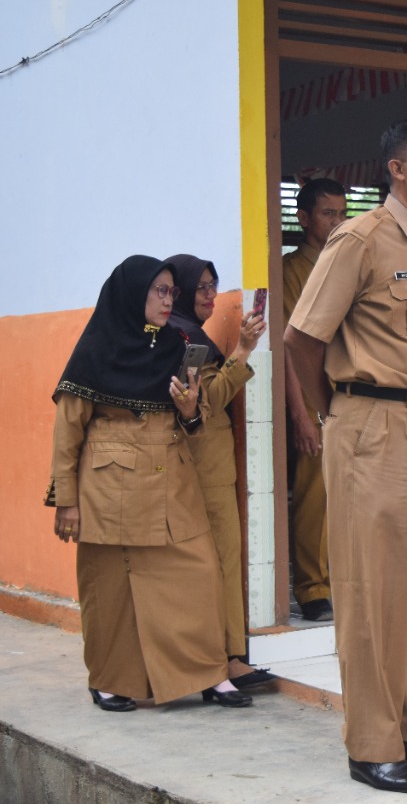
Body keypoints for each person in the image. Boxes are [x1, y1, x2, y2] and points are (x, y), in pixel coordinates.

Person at [284, 118, 407, 794]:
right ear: (397, 169)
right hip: (373, 423)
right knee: (372, 590)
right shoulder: (361, 239)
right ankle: (372, 742)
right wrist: (333, 412)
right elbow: (302, 339)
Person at [47, 255, 253, 711]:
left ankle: (207, 673)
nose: (168, 300)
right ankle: (109, 680)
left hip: (172, 478)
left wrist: (189, 409)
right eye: (159, 291)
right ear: (131, 295)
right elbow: (68, 432)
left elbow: (194, 422)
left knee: (198, 573)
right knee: (111, 590)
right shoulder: (94, 352)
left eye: (170, 292)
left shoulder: (177, 347)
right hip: (110, 486)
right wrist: (67, 500)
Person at [164, 254, 274, 689]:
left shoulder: (188, 333)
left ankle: (226, 656)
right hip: (204, 465)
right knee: (221, 559)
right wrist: (243, 351)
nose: (211, 295)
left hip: (207, 464)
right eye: (202, 288)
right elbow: (206, 403)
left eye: (215, 285)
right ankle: (228, 658)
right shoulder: (180, 336)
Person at [281, 178, 347, 622]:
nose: (338, 221)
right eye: (328, 214)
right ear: (303, 218)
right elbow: (288, 347)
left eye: (343, 213)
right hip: (311, 397)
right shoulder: (292, 271)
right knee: (314, 497)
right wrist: (300, 415)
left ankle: (341, 581)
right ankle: (312, 588)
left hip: (350, 394)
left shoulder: (346, 261)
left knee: (348, 496)